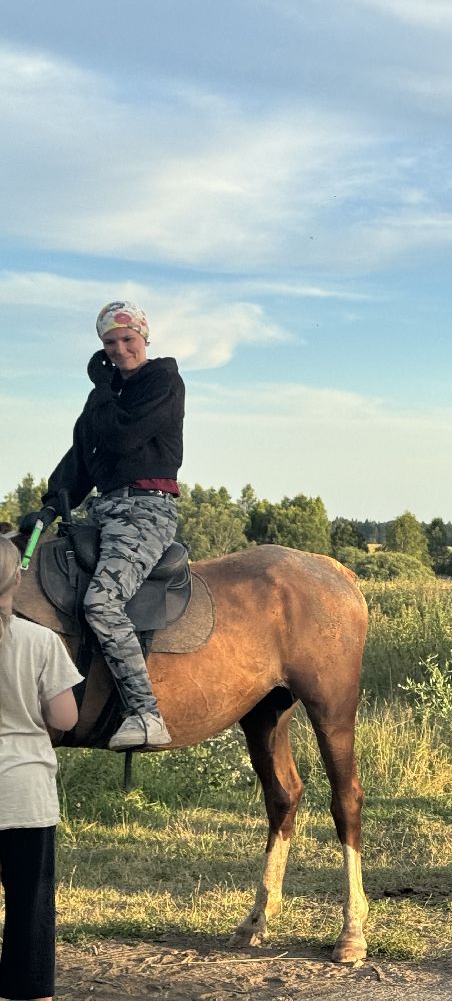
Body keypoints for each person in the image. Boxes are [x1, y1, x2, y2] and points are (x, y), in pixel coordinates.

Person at [19, 301, 184, 751]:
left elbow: (123, 437)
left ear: (144, 339)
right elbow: (82, 458)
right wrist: (50, 507)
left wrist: (101, 390)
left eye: (127, 340)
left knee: (103, 603)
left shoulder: (162, 381)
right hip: (104, 510)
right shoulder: (107, 397)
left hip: (148, 510)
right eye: (109, 343)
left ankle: (146, 714)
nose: (119, 349)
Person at [0, 537, 83, 1001]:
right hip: (25, 795)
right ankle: (28, 993)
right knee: (30, 906)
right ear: (17, 578)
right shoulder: (41, 642)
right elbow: (65, 719)